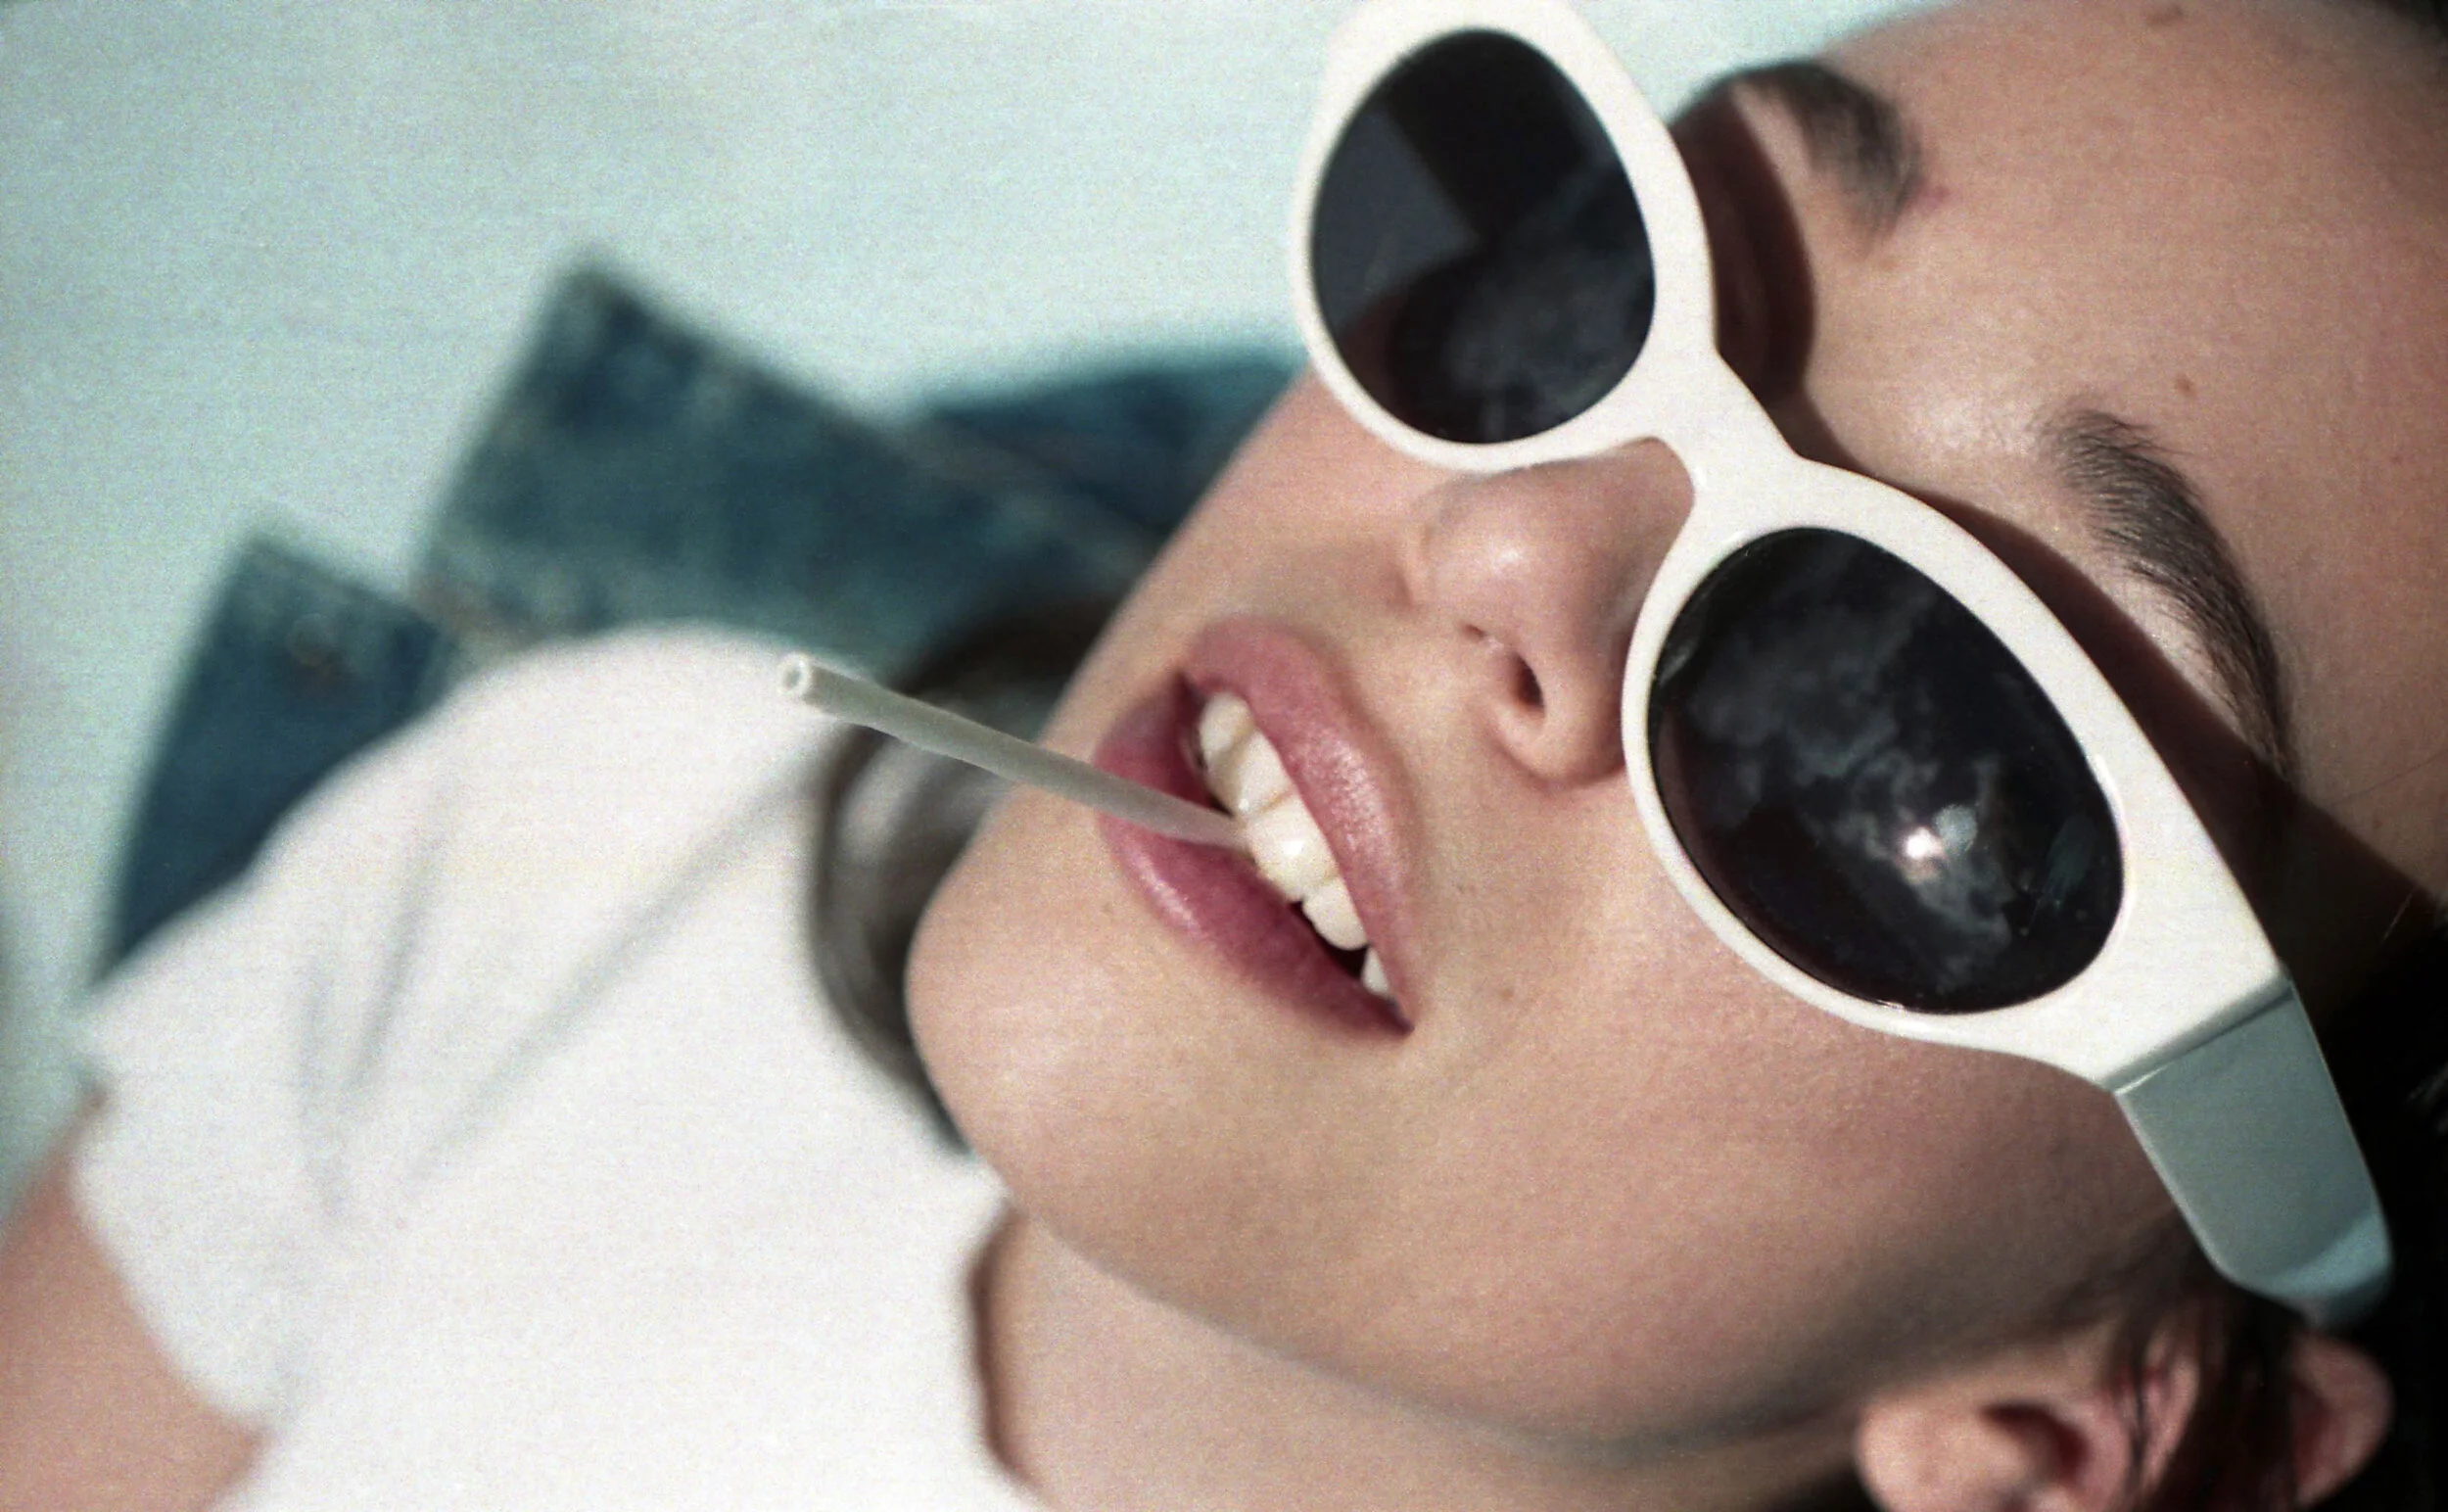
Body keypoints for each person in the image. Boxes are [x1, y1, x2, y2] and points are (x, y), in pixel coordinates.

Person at [5, 0, 2445, 1508]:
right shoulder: (598, 836)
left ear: (2097, 1424)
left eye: (1943, 716)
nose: (1513, 535)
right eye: (1611, 270)